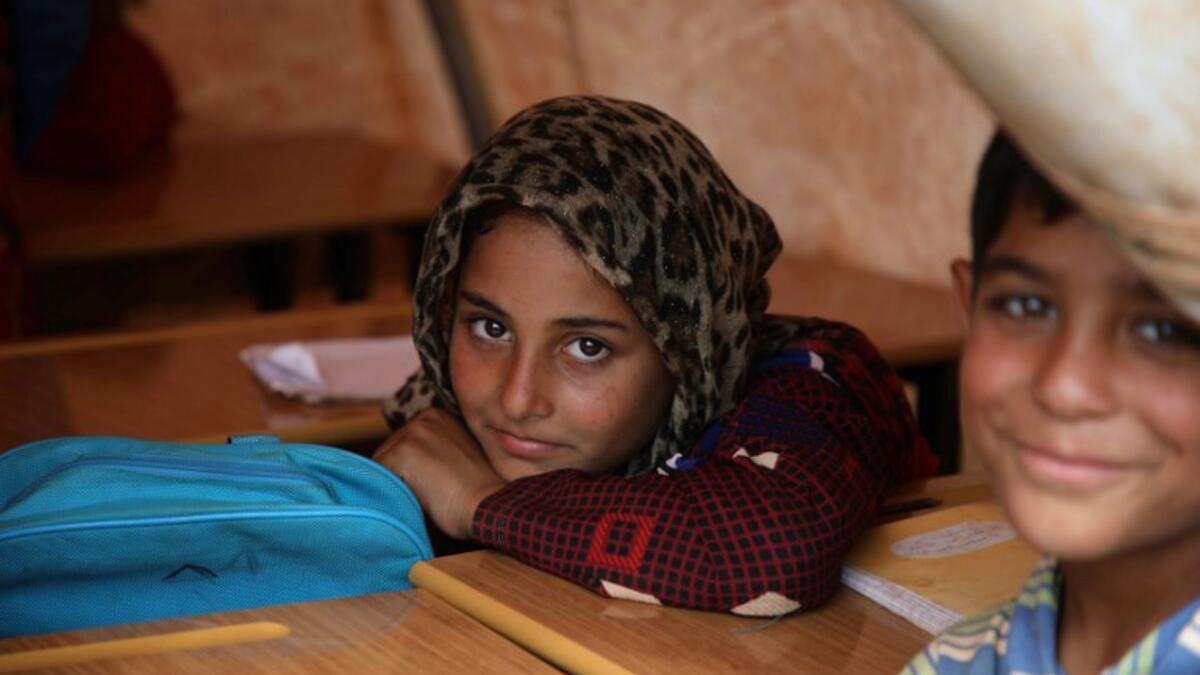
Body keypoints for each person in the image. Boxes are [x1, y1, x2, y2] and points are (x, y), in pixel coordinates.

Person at [374, 95, 935, 615]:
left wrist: (481, 502)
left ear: (684, 345)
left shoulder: (821, 385)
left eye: (587, 347)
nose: (518, 398)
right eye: (490, 327)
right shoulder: (441, 417)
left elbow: (766, 557)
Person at [904, 133, 1200, 673]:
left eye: (1163, 330)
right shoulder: (955, 664)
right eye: (1026, 304)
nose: (1065, 386)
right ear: (969, 309)